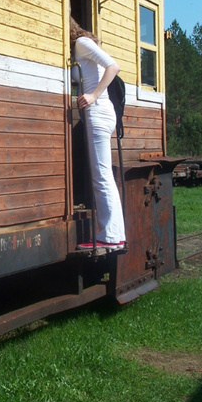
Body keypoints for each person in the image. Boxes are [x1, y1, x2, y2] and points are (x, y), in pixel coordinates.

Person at [69, 17, 126, 248]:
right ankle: (115, 233)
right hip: (99, 111)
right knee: (103, 175)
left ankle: (110, 236)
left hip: (99, 111)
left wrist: (92, 95)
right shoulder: (80, 46)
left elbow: (114, 66)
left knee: (101, 176)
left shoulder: (81, 42)